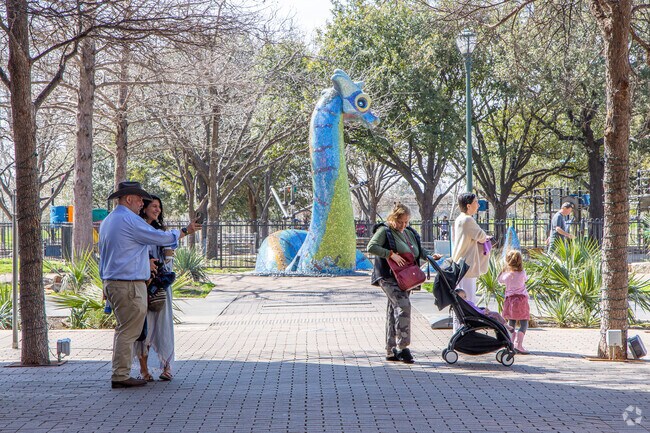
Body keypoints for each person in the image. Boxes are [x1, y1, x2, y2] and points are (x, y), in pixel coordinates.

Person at [100, 181, 200, 389]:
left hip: (113, 281)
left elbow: (106, 255)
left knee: (124, 330)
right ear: (129, 199)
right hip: (128, 284)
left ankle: (122, 372)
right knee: (129, 331)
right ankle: (121, 375)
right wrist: (183, 231)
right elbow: (158, 237)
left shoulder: (110, 220)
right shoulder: (129, 220)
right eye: (139, 200)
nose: (141, 204)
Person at [367, 203, 441, 364]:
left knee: (393, 310)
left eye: (406, 222)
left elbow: (419, 251)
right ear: (393, 218)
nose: (403, 225)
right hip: (388, 276)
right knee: (403, 305)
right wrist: (390, 254)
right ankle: (403, 347)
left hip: (405, 277)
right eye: (400, 222)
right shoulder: (384, 231)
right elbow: (371, 247)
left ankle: (390, 349)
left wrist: (430, 256)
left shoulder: (409, 233)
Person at [134, 195, 176, 382]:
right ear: (144, 207)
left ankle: (167, 366)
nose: (157, 209)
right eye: (153, 206)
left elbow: (169, 258)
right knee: (144, 328)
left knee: (163, 324)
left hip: (160, 284)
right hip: (143, 283)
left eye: (159, 206)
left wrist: (167, 255)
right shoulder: (137, 228)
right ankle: (144, 370)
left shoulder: (161, 232)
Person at [451, 193, 489, 305]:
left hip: (460, 264)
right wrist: (486, 237)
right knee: (468, 301)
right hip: (467, 265)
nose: (478, 205)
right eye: (476, 202)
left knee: (460, 300)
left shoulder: (459, 219)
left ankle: (459, 322)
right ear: (468, 206)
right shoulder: (468, 220)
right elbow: (481, 236)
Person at [498, 250, 531, 354]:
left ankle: (511, 343)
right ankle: (519, 345)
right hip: (521, 300)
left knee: (511, 322)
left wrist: (503, 270)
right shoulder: (522, 273)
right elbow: (525, 279)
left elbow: (499, 280)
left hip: (510, 300)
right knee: (524, 323)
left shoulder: (506, 275)